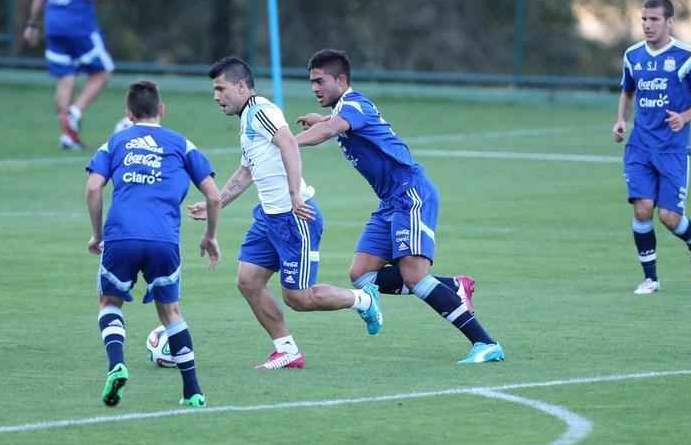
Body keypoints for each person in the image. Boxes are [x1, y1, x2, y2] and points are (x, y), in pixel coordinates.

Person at [294, 49, 504, 364]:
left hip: (411, 194)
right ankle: (452, 286)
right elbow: (335, 124)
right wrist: (322, 118)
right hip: (390, 202)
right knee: (362, 275)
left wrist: (287, 141)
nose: (314, 88)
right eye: (311, 82)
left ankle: (486, 343)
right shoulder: (345, 109)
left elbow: (331, 129)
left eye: (319, 81)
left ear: (341, 80)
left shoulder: (354, 105)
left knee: (415, 277)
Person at [186, 57, 383, 370]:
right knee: (248, 280)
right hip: (268, 217)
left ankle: (364, 299)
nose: (216, 96)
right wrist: (216, 202)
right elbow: (246, 173)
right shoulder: (248, 118)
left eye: (220, 88)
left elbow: (289, 143)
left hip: (295, 217)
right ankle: (287, 349)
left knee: (299, 298)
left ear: (240, 86)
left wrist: (294, 194)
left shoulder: (262, 111)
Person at [86, 81, 222, 408]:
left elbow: (93, 189)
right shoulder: (181, 144)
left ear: (128, 114)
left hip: (121, 236)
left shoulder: (115, 142)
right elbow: (214, 195)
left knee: (109, 303)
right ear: (162, 110)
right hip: (164, 239)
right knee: (171, 312)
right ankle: (192, 390)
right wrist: (210, 235)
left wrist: (98, 235)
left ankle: (116, 363)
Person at [612, 0, 691, 294]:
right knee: (642, 209)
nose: (647, 25)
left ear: (669, 22)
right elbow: (627, 91)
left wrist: (685, 117)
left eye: (654, 19)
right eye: (644, 19)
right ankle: (651, 279)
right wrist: (621, 120)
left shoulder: (688, 58)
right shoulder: (633, 56)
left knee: (669, 217)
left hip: (672, 149)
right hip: (640, 146)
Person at [22, 0, 140, 151]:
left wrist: (32, 24)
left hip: (53, 24)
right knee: (103, 71)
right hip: (79, 24)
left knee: (65, 78)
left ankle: (67, 135)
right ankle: (74, 113)